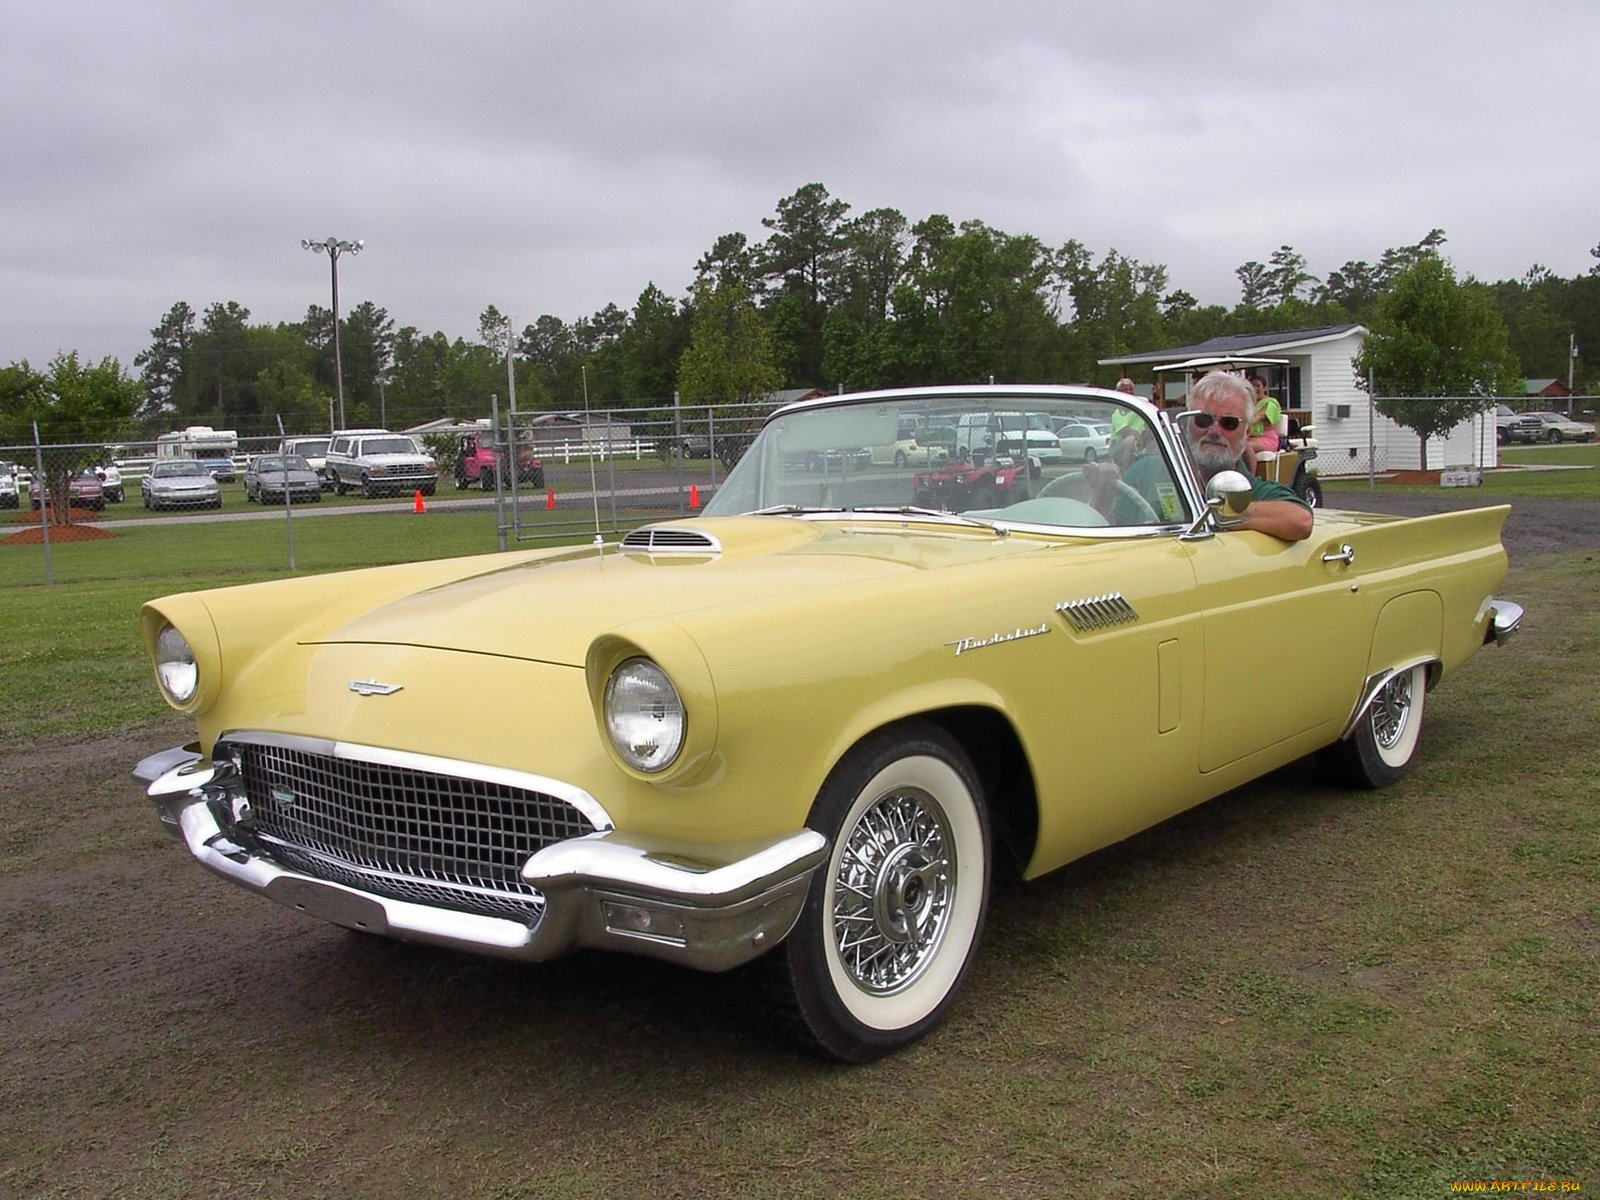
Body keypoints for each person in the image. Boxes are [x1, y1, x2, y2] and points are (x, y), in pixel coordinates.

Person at [1089, 370, 1313, 541]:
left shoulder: (1251, 491)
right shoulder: (1147, 470)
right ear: (1186, 424)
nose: (1215, 431)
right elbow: (1108, 532)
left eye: (1229, 423)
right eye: (1203, 420)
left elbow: (1301, 519)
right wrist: (1103, 491)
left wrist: (1217, 513)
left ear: (1245, 432)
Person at [1245, 374, 1282, 456]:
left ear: (1264, 388)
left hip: (1266, 438)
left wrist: (1243, 424)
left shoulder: (1270, 403)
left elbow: (1259, 417)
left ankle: (1249, 469)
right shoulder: (1249, 404)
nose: (1255, 388)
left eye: (1258, 386)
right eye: (1253, 386)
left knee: (1246, 447)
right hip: (1250, 437)